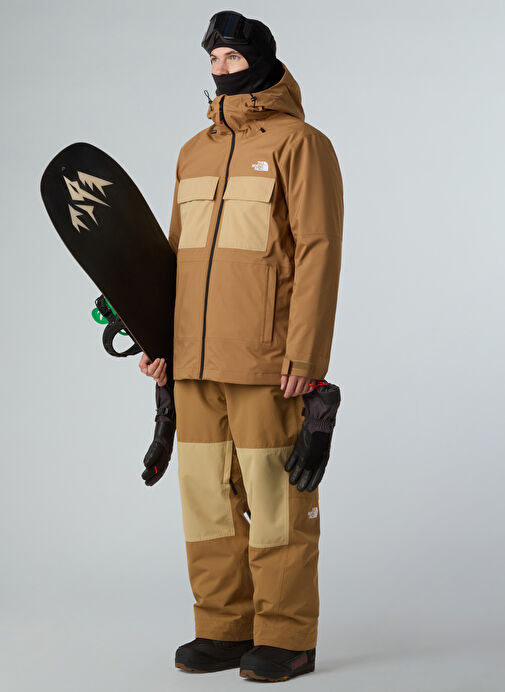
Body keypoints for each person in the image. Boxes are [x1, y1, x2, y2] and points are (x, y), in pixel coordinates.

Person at [139, 10, 344, 682]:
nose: (220, 69)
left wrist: (305, 356)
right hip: (193, 363)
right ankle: (225, 628)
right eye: (213, 60)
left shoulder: (300, 144)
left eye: (231, 57)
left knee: (276, 504)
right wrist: (158, 343)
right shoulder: (193, 151)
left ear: (260, 60)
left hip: (265, 362)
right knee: (207, 501)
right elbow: (171, 258)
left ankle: (286, 637)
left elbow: (318, 250)